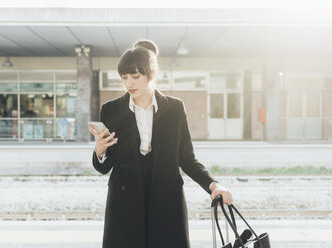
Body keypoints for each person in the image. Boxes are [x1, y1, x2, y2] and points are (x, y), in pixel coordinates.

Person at [89, 39, 233, 248]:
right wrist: (100, 151)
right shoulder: (111, 110)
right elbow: (104, 166)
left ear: (152, 74)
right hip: (124, 207)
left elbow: (186, 158)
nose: (129, 84)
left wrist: (214, 185)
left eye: (135, 76)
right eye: (124, 77)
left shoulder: (174, 108)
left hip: (166, 204)